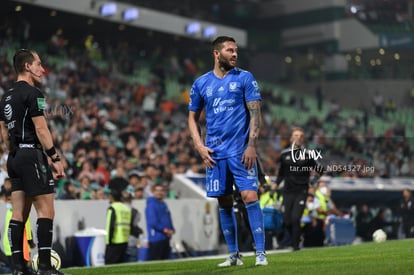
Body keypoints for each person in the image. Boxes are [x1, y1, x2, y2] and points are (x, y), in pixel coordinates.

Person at [188, 36, 267, 266]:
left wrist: (252, 144)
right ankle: (234, 255)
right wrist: (199, 146)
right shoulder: (201, 83)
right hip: (214, 153)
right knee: (223, 202)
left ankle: (260, 253)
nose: (235, 54)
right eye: (230, 50)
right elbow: (192, 119)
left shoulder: (245, 78)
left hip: (241, 151)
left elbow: (255, 114)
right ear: (216, 53)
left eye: (236, 51)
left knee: (249, 196)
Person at [0, 49, 67, 275]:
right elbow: (41, 128)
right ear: (27, 67)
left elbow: (3, 132)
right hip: (32, 155)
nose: (42, 69)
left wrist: (13, 155)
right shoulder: (34, 93)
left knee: (19, 214)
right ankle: (46, 267)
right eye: (38, 64)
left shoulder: (5, 97)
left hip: (15, 157)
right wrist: (55, 158)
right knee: (46, 211)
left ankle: (18, 268)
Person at [275, 127, 322, 251]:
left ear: (303, 139)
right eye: (296, 135)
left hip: (302, 191)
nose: (298, 138)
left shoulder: (308, 155)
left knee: (296, 218)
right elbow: (281, 172)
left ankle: (295, 247)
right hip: (287, 191)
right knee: (286, 220)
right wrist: (275, 184)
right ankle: (296, 237)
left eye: (301, 136)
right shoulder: (284, 154)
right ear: (291, 138)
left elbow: (319, 170)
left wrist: (313, 184)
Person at [145, 184, 175, 261]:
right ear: (153, 192)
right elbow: (153, 222)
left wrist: (172, 229)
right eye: (157, 190)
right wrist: (165, 230)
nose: (159, 192)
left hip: (165, 237)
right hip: (156, 239)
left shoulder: (164, 204)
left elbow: (168, 218)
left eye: (161, 190)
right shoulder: (151, 205)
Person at [104, 189, 132, 264]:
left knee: (110, 266)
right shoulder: (126, 209)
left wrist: (109, 241)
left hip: (115, 240)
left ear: (111, 197)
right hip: (124, 240)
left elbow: (110, 225)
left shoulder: (113, 208)